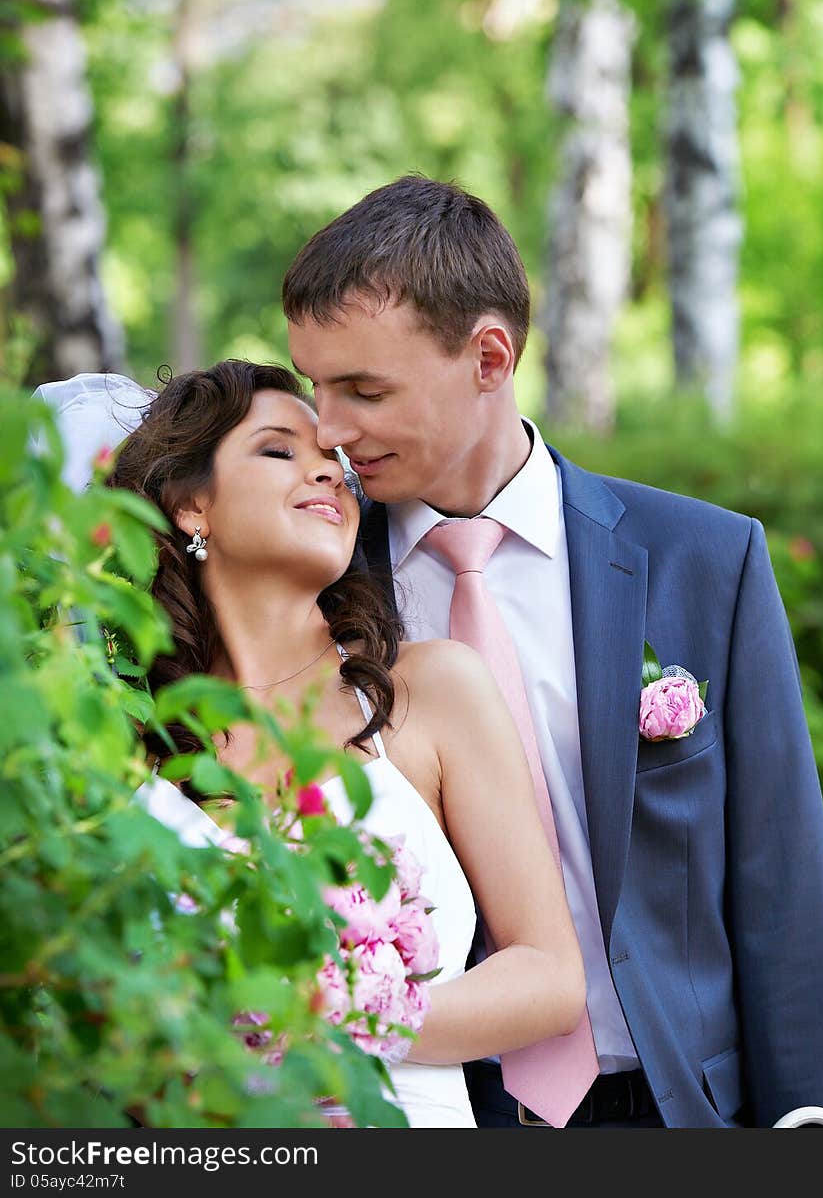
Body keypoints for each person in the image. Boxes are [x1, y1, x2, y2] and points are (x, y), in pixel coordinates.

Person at [280, 173, 823, 1129]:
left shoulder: (706, 562)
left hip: (674, 1104)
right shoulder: (314, 589)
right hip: (434, 1107)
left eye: (363, 388)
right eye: (316, 386)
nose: (331, 427)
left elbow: (781, 892)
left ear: (488, 356)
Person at [97, 358, 586, 1129]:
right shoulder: (128, 751)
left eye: (335, 462)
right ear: (192, 505)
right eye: (279, 450)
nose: (328, 473)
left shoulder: (430, 694)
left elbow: (551, 980)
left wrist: (339, 1014)